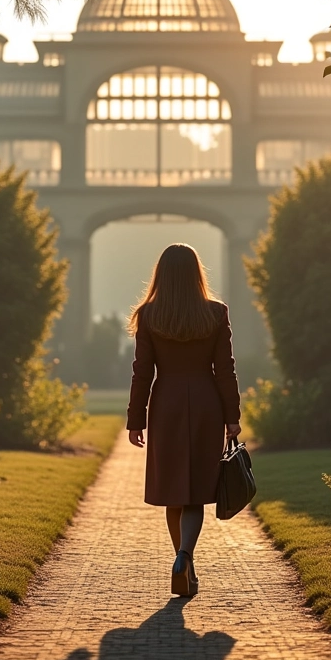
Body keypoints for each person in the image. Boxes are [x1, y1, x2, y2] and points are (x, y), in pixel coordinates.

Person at [127, 243, 241, 598]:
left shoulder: (149, 315)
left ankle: (182, 563)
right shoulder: (216, 312)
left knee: (175, 492)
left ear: (162, 274)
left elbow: (142, 372)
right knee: (195, 493)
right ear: (196, 274)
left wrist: (136, 420)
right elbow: (225, 371)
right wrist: (232, 417)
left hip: (166, 405)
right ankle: (185, 558)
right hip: (206, 403)